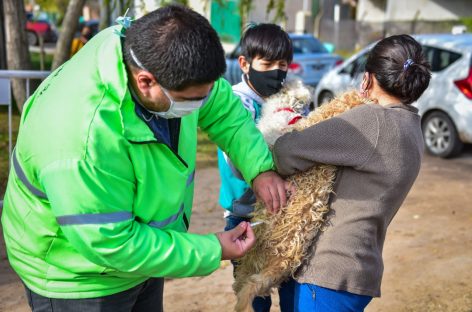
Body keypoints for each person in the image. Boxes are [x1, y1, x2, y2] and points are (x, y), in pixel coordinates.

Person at [1, 5, 288, 312]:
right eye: (193, 101)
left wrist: (260, 168)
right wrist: (212, 248)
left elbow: (222, 108)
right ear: (146, 81)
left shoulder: (166, 63)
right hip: (79, 278)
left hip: (151, 254)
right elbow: (113, 243)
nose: (202, 105)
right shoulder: (83, 142)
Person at [272, 34, 431, 311]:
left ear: (368, 79)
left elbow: (285, 153)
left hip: (325, 274)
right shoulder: (413, 128)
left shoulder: (372, 121)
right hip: (360, 270)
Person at [217, 23, 295, 312]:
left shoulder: (288, 99)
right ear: (244, 64)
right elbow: (237, 162)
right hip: (245, 216)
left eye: (283, 64)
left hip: (285, 213)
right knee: (254, 293)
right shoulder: (236, 105)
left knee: (290, 281)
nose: (276, 71)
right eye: (267, 63)